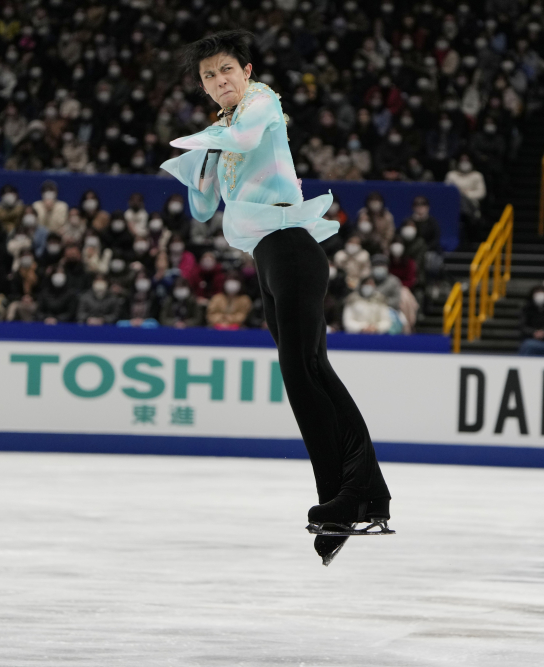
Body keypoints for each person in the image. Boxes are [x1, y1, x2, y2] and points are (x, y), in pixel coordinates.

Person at [160, 30, 391, 565]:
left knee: (302, 371)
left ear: (245, 70)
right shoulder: (224, 127)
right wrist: (197, 167)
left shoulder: (262, 103)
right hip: (268, 260)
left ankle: (346, 495)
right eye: (207, 77)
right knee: (311, 372)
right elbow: (201, 209)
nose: (218, 82)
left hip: (291, 248)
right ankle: (354, 495)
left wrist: (199, 142)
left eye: (225, 71)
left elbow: (240, 143)